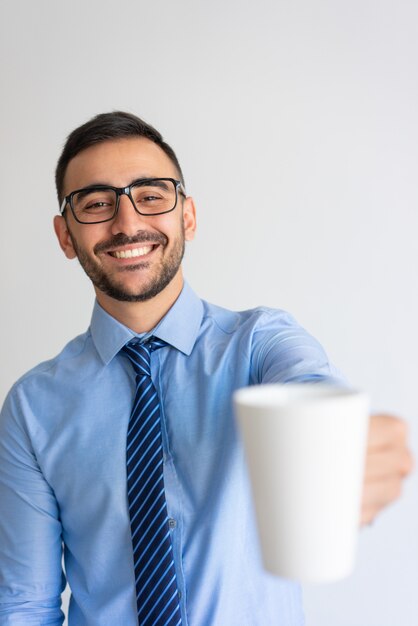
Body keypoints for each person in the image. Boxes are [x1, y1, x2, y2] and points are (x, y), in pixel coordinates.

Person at [0, 111, 413, 626]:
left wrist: (340, 438)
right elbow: (24, 605)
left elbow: (309, 390)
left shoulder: (260, 343)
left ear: (187, 217)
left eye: (150, 196)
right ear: (66, 237)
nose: (127, 223)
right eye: (97, 204)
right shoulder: (32, 406)